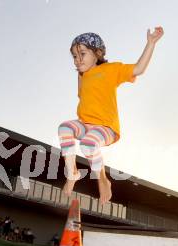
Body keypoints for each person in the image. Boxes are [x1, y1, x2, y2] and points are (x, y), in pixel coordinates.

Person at [58, 28, 164, 205]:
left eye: (82, 54)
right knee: (64, 128)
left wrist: (150, 43)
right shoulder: (82, 75)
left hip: (106, 128)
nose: (77, 60)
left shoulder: (111, 69)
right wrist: (81, 74)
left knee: (88, 144)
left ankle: (102, 180)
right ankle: (72, 174)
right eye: (75, 56)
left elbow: (138, 69)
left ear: (97, 53)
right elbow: (82, 95)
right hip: (84, 124)